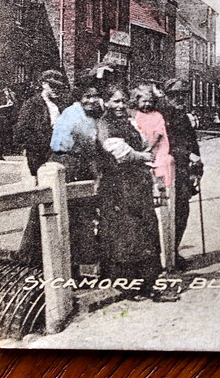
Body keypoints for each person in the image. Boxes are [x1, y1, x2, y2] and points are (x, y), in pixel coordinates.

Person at [96, 85, 165, 299]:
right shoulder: (104, 124)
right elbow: (121, 154)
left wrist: (144, 155)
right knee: (125, 233)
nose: (120, 105)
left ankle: (148, 284)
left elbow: (145, 143)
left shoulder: (129, 122)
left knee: (145, 229)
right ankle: (127, 286)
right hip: (117, 186)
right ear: (106, 102)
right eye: (115, 101)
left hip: (137, 184)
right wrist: (144, 157)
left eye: (123, 101)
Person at [49, 77, 106, 275]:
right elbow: (85, 144)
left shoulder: (94, 114)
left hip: (82, 165)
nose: (92, 100)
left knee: (84, 219)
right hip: (68, 164)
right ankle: (63, 269)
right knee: (69, 217)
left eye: (96, 96)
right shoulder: (73, 114)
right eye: (87, 96)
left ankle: (81, 268)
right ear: (79, 97)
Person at [12, 70, 68, 266]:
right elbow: (20, 134)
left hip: (57, 157)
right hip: (41, 158)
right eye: (53, 86)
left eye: (60, 87)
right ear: (43, 84)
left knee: (52, 202)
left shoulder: (59, 105)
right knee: (42, 202)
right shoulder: (33, 105)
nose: (56, 91)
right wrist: (44, 146)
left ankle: (41, 252)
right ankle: (29, 253)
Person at [160, 78, 204, 269]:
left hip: (184, 170)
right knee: (167, 212)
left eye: (183, 95)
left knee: (182, 211)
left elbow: (192, 142)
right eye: (175, 95)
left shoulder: (183, 116)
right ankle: (165, 254)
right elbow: (164, 145)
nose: (179, 99)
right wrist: (187, 154)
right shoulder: (161, 117)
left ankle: (174, 250)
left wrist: (197, 166)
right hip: (167, 169)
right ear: (166, 96)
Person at [131, 84, 174, 191]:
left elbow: (158, 134)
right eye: (144, 101)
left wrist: (149, 148)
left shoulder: (157, 115)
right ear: (137, 101)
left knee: (160, 160)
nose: (147, 104)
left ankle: (160, 182)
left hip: (157, 146)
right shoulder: (136, 115)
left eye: (150, 101)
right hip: (141, 146)